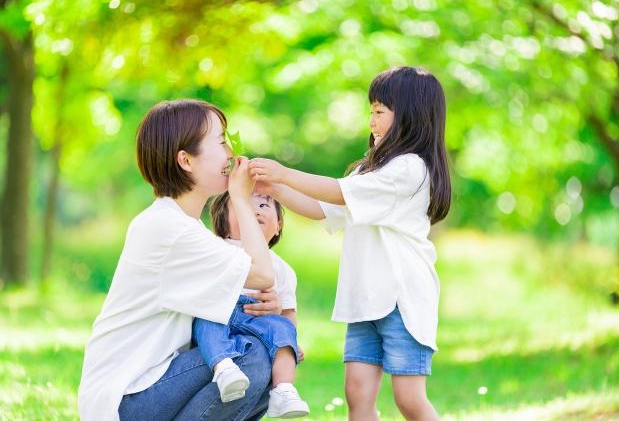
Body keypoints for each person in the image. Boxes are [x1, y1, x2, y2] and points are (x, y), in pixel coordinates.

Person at [248, 66, 451, 421]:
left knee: (408, 398)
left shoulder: (409, 169)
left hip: (402, 300)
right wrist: (275, 188)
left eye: (379, 111)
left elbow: (337, 192)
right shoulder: (368, 171)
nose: (370, 120)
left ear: (409, 117)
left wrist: (283, 172)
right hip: (366, 300)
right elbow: (322, 208)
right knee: (356, 393)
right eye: (370, 110)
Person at [78, 99, 280, 421]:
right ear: (186, 160)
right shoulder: (169, 229)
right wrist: (241, 198)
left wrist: (265, 306)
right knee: (252, 355)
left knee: (270, 353)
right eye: (221, 140)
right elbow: (262, 273)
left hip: (149, 385)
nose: (231, 151)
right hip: (126, 397)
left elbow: (252, 284)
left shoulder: (183, 225)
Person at [191, 191, 309, 418]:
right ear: (223, 223)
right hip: (220, 313)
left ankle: (283, 390)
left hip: (259, 320)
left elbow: (287, 313)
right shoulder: (216, 248)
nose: (255, 210)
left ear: (278, 226)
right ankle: (224, 368)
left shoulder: (282, 269)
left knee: (282, 329)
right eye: (242, 204)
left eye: (264, 205)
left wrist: (290, 341)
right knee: (206, 323)